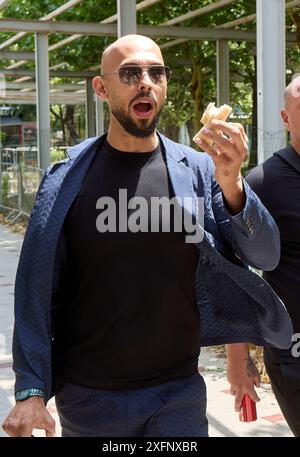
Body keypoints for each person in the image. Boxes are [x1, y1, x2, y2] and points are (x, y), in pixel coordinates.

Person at [2, 35, 292, 438]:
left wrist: (233, 183)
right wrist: (31, 389)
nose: (146, 82)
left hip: (178, 392)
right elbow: (35, 288)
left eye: (157, 73)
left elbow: (265, 255)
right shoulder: (65, 180)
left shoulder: (197, 171)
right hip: (89, 398)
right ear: (101, 88)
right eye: (130, 73)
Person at [246, 75, 300, 437]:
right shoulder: (263, 182)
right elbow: (233, 270)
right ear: (285, 117)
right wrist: (239, 359)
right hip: (294, 355)